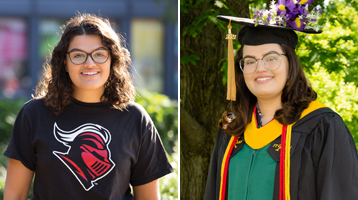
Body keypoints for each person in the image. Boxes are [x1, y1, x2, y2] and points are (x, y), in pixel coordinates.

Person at [3, 13, 173, 200]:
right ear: (65, 63)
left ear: (112, 60)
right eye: (78, 55)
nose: (89, 63)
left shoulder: (135, 119)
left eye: (99, 54)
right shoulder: (34, 115)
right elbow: (15, 195)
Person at [204, 1, 358, 200]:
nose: (260, 68)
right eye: (250, 61)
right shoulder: (232, 128)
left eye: (271, 58)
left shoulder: (323, 127)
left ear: (290, 63)